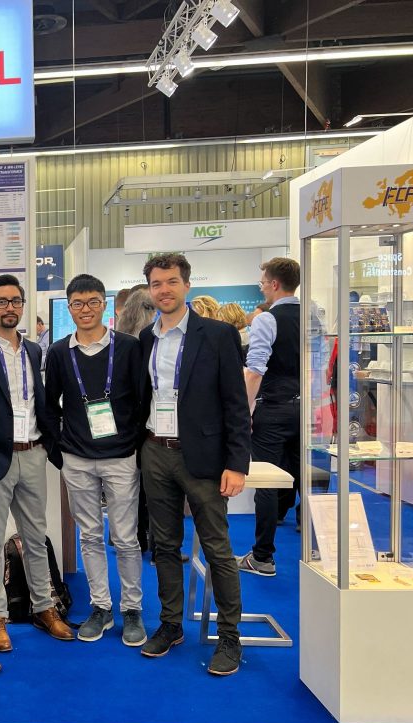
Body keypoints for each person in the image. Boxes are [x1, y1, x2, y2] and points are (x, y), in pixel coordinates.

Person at [136, 253, 250, 676]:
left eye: (171, 281)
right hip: (155, 451)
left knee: (217, 548)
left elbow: (236, 404)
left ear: (186, 284)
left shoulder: (217, 335)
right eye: (156, 283)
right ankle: (170, 625)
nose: (163, 290)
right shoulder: (146, 338)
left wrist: (237, 463)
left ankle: (230, 637)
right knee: (164, 545)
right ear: (149, 290)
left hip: (202, 456)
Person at [45, 274, 145, 646]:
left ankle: (132, 609)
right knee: (89, 536)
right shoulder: (59, 352)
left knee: (125, 537)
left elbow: (141, 400)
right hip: (77, 458)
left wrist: (132, 442)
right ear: (69, 308)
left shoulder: (129, 347)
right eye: (77, 303)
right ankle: (101, 606)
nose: (85, 310)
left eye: (92, 302)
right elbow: (49, 405)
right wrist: (60, 450)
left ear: (105, 304)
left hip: (120, 456)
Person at [0, 275, 70, 652]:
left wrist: (46, 445)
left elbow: (39, 401)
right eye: (2, 302)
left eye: (16, 301)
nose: (10, 308)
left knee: (35, 537)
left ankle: (44, 607)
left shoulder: (32, 350)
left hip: (33, 454)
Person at [238, 257, 301, 576]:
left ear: (274, 284)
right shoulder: (312, 315)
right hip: (305, 410)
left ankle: (262, 556)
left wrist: (244, 411)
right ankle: (318, 552)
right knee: (304, 479)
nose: (262, 287)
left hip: (273, 408)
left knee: (266, 482)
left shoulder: (267, 319)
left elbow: (255, 370)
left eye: (263, 282)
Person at [114, 287, 157, 555]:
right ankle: (150, 539)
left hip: (126, 425)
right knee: (148, 487)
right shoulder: (147, 341)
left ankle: (130, 536)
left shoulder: (120, 340)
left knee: (130, 488)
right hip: (146, 423)